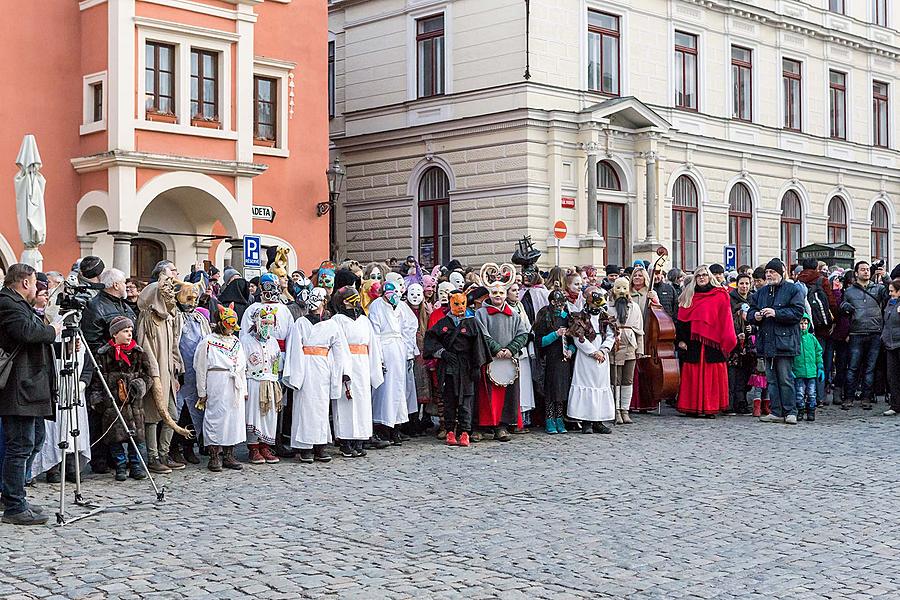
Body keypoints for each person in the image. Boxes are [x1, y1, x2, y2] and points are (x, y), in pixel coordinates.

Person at [0, 264, 63, 525]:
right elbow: (27, 333)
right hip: (18, 386)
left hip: (29, 385)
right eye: (36, 283)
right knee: (20, 445)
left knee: (34, 440)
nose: (38, 288)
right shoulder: (7, 303)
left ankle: (16, 495)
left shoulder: (17, 304)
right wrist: (53, 331)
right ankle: (14, 504)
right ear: (25, 282)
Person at [285, 289, 349, 463]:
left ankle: (320, 445)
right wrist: (297, 374)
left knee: (321, 408)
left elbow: (339, 349)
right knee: (305, 406)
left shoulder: (331, 325)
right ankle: (305, 446)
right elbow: (295, 349)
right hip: (305, 367)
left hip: (323, 368)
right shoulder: (301, 323)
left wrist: (340, 371)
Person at [424, 291, 492, 447]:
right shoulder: (443, 323)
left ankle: (465, 432)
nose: (460, 307)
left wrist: (477, 366)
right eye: (456, 304)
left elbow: (479, 345)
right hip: (449, 366)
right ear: (450, 304)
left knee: (466, 400)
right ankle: (449, 430)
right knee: (449, 400)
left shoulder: (472, 322)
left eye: (463, 304)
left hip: (466, 367)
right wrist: (442, 353)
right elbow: (430, 340)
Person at [89, 316, 152, 481]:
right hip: (113, 404)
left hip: (133, 404)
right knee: (115, 438)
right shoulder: (104, 354)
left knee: (136, 437)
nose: (129, 334)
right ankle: (120, 466)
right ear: (115, 334)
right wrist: (98, 401)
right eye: (125, 331)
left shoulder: (138, 353)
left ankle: (136, 465)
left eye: (130, 331)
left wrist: (140, 385)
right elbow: (97, 380)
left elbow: (148, 376)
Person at [136, 273, 187, 473]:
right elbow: (145, 348)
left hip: (168, 375)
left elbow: (173, 345)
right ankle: (153, 456)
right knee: (153, 416)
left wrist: (176, 369)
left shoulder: (168, 319)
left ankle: (164, 452)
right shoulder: (148, 318)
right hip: (155, 376)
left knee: (172, 414)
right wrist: (155, 375)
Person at [474, 265, 528, 441]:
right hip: (489, 360)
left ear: (505, 294)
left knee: (506, 396)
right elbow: (482, 334)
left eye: (501, 293)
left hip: (508, 361)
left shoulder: (514, 314)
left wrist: (510, 349)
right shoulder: (481, 314)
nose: (498, 296)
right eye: (494, 293)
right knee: (486, 395)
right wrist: (496, 349)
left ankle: (502, 426)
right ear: (489, 294)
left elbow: (523, 334)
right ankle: (483, 426)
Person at [675, 265, 737, 418]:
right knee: (692, 375)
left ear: (710, 277)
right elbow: (682, 320)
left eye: (704, 275)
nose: (701, 278)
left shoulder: (720, 294)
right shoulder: (688, 295)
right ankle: (692, 407)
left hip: (713, 342)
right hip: (693, 342)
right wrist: (681, 340)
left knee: (712, 375)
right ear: (695, 278)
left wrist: (726, 339)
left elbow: (726, 319)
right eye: (698, 275)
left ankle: (711, 407)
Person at [748, 259, 805, 425]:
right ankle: (776, 411)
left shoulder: (793, 290)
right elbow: (751, 310)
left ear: (780, 273)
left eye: (772, 272)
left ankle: (790, 411)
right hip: (767, 341)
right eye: (767, 273)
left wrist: (776, 313)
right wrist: (755, 316)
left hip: (785, 342)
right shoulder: (762, 292)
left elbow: (797, 312)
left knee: (785, 379)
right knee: (771, 380)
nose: (769, 275)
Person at [330, 286, 384, 457]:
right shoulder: (337, 320)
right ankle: (346, 441)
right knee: (347, 401)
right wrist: (342, 368)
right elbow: (336, 345)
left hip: (363, 363)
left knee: (362, 401)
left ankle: (360, 439)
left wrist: (376, 365)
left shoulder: (364, 320)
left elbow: (372, 345)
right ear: (345, 301)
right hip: (347, 362)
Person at [194, 303, 246, 472]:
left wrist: (243, 389)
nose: (231, 330)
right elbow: (200, 368)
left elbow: (242, 368)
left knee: (233, 418)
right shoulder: (208, 342)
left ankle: (229, 454)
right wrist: (202, 391)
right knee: (216, 417)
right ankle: (214, 455)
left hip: (234, 383)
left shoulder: (236, 341)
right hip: (217, 382)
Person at [566, 287, 616, 434]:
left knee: (601, 385)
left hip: (602, 355)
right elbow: (577, 337)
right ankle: (586, 421)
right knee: (586, 384)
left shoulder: (605, 316)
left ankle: (598, 421)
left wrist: (603, 350)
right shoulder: (579, 317)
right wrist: (593, 352)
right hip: (586, 356)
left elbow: (611, 335)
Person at [840, 260, 887, 410]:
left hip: (874, 332)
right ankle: (849, 398)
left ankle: (866, 397)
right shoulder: (849, 291)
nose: (866, 272)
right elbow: (842, 309)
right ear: (856, 273)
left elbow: (891, 294)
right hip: (856, 332)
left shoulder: (878, 289)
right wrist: (844, 307)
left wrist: (885, 277)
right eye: (862, 269)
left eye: (867, 269)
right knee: (853, 367)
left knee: (870, 368)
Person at [368, 281, 411, 445]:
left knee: (399, 390)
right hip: (385, 349)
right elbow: (375, 332)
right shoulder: (376, 306)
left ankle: (397, 426)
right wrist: (379, 357)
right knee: (385, 390)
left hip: (399, 349)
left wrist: (408, 352)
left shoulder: (400, 306)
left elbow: (407, 326)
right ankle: (382, 425)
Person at [241, 304, 283, 465]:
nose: (267, 327)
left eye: (270, 324)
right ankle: (253, 448)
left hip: (270, 382)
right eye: (264, 323)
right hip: (253, 382)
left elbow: (276, 362)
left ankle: (265, 446)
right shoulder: (245, 340)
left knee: (269, 416)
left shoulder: (273, 342)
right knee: (254, 415)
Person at [533, 290, 575, 433]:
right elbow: (540, 341)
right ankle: (549, 418)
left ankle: (559, 418)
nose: (560, 306)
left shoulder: (566, 317)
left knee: (561, 390)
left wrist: (571, 350)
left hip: (563, 359)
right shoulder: (545, 316)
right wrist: (555, 334)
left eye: (562, 303)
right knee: (550, 390)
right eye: (557, 303)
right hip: (549, 359)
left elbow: (573, 340)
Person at [610, 277, 643, 424]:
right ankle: (615, 410)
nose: (622, 292)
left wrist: (640, 349)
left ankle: (625, 409)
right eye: (619, 288)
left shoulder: (634, 307)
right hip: (613, 345)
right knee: (614, 380)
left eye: (625, 288)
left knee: (627, 380)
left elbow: (639, 330)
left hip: (630, 345)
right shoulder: (608, 307)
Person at [727, 273, 755, 415]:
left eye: (746, 284)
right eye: (741, 283)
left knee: (745, 375)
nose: (744, 286)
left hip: (749, 344)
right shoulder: (730, 299)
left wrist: (753, 328)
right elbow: (727, 319)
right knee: (732, 375)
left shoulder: (753, 298)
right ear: (737, 284)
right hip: (733, 343)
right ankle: (730, 404)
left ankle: (742, 403)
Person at [793, 314, 824, 422]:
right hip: (798, 371)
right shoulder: (795, 339)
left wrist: (820, 366)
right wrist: (791, 369)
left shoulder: (812, 338)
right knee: (799, 393)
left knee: (811, 393)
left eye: (805, 323)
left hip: (811, 372)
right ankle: (800, 410)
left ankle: (811, 410)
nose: (803, 326)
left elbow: (818, 352)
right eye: (801, 323)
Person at [881, 279, 900, 416]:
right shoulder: (890, 302)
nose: (890, 293)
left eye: (892, 291)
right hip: (890, 344)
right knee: (892, 376)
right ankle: (895, 405)